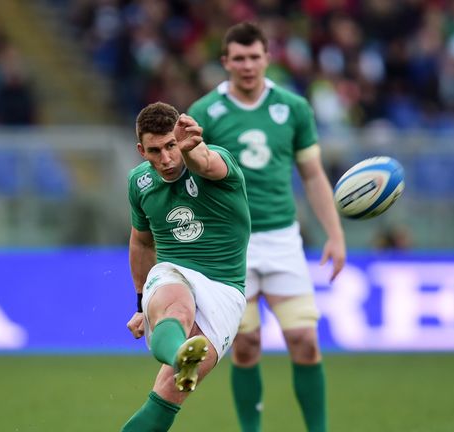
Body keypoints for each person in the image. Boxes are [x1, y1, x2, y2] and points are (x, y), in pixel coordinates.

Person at [188, 22, 346, 432]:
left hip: (281, 240)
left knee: (305, 343)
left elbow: (312, 175)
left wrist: (335, 233)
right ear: (225, 62)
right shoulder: (205, 113)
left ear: (267, 58)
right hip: (231, 246)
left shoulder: (293, 108)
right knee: (245, 345)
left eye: (254, 56)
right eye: (238, 58)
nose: (247, 65)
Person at [122, 102, 251, 431]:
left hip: (225, 291)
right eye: (155, 150)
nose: (165, 159)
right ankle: (181, 354)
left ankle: (180, 355)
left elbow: (204, 163)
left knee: (167, 395)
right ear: (141, 150)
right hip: (173, 273)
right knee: (178, 309)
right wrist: (141, 304)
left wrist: (191, 148)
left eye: (171, 146)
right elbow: (141, 241)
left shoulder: (216, 160)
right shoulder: (139, 183)